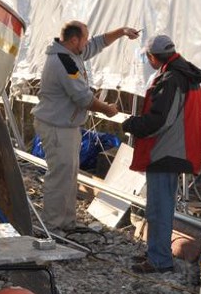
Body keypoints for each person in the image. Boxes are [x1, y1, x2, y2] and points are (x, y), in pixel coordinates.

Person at [32, 20, 140, 232]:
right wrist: (107, 109)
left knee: (69, 174)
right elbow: (83, 98)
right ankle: (52, 225)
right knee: (59, 176)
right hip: (57, 127)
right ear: (74, 41)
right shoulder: (64, 63)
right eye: (85, 38)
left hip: (66, 125)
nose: (88, 42)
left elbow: (97, 44)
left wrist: (121, 31)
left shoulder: (71, 53)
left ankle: (67, 222)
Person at [122, 34, 201, 273]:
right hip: (176, 150)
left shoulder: (171, 78)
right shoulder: (184, 75)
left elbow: (160, 120)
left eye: (148, 58)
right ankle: (157, 254)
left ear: (153, 57)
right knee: (160, 206)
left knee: (159, 208)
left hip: (165, 151)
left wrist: (132, 124)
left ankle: (159, 260)